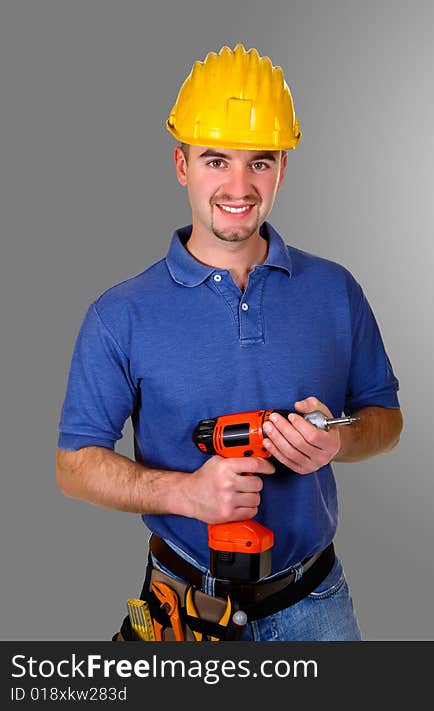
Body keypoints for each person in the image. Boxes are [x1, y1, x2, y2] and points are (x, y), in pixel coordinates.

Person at [55, 44, 403, 641]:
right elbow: (74, 466)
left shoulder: (335, 290)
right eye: (216, 160)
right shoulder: (120, 314)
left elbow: (387, 419)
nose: (239, 186)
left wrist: (336, 441)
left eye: (259, 162)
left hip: (316, 604)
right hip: (183, 606)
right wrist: (187, 493)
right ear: (181, 164)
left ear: (283, 169)